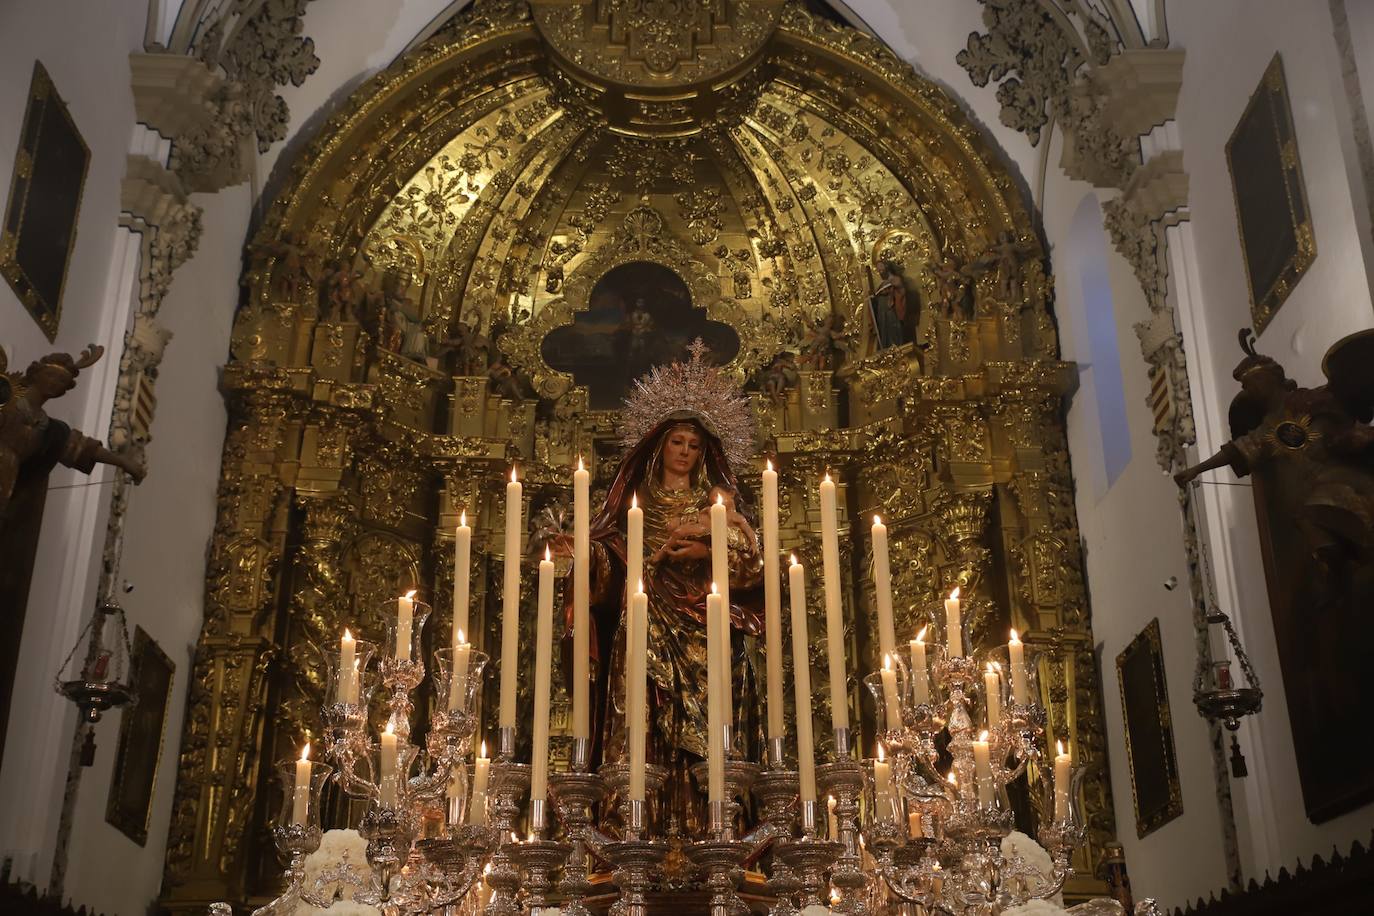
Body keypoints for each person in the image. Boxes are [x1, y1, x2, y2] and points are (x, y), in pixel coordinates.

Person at [559, 341, 762, 828]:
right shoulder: (636, 504)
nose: (685, 453)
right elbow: (610, 561)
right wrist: (590, 557)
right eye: (677, 443)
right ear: (659, 444)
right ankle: (633, 818)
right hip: (644, 618)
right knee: (644, 711)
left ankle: (711, 820)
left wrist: (708, 551)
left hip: (704, 623)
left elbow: (749, 565)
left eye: (694, 446)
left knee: (710, 714)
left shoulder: (716, 503)